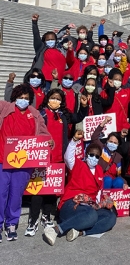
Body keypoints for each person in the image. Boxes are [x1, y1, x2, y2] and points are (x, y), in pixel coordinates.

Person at [25, 89, 88, 237]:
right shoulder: (40, 114)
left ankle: (46, 216)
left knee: (52, 190)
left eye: (58, 99)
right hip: (43, 158)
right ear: (47, 99)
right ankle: (33, 220)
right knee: (38, 190)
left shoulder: (63, 114)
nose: (55, 101)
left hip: (59, 158)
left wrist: (84, 106)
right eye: (53, 98)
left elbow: (78, 117)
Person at [43, 130, 117, 246]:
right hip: (71, 204)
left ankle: (81, 232)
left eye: (97, 156)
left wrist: (100, 204)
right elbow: (68, 157)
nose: (94, 158)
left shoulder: (99, 171)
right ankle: (56, 230)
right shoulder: (78, 165)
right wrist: (74, 140)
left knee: (110, 217)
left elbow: (98, 193)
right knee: (91, 215)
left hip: (88, 206)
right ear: (86, 154)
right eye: (91, 155)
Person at [0, 84, 51, 242]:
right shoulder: (4, 107)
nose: (23, 100)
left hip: (24, 162)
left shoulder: (35, 114)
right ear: (14, 97)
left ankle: (11, 224)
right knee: (1, 192)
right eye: (20, 97)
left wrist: (49, 141)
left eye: (26, 98)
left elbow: (43, 132)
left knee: (16, 193)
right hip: (3, 159)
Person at [31, 14, 66, 90]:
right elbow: (36, 36)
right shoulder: (41, 48)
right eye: (48, 39)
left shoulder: (60, 50)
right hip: (45, 81)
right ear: (44, 41)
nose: (51, 41)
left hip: (59, 82)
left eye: (53, 39)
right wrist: (34, 23)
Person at [90, 116, 127, 190]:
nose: (112, 144)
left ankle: (115, 199)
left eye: (115, 143)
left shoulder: (118, 157)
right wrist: (104, 123)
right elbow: (94, 138)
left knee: (119, 181)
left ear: (118, 145)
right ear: (107, 141)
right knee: (108, 179)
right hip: (101, 180)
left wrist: (125, 183)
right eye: (110, 141)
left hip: (114, 182)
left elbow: (119, 175)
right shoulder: (101, 149)